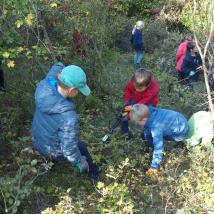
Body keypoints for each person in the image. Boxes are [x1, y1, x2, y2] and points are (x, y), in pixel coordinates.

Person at [31, 62, 100, 181]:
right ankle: (93, 173)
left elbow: (55, 68)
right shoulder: (68, 116)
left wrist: (61, 65)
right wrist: (79, 162)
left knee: (50, 133)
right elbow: (68, 150)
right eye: (79, 90)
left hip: (37, 139)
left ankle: (49, 164)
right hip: (53, 149)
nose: (78, 93)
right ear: (72, 90)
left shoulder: (44, 86)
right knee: (82, 147)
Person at [130, 104, 189, 175]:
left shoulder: (156, 128)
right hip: (179, 118)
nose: (137, 123)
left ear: (144, 119)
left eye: (138, 122)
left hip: (181, 132)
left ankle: (156, 153)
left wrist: (154, 166)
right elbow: (137, 109)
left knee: (157, 139)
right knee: (147, 131)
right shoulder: (148, 110)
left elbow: (158, 147)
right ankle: (150, 147)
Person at [121, 68, 159, 138]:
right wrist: (126, 101)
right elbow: (128, 89)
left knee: (146, 119)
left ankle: (146, 136)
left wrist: (129, 115)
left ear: (147, 85)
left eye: (140, 88)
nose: (136, 89)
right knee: (124, 112)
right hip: (135, 99)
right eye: (135, 86)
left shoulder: (153, 89)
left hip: (148, 103)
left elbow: (140, 105)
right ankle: (125, 133)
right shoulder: (135, 81)